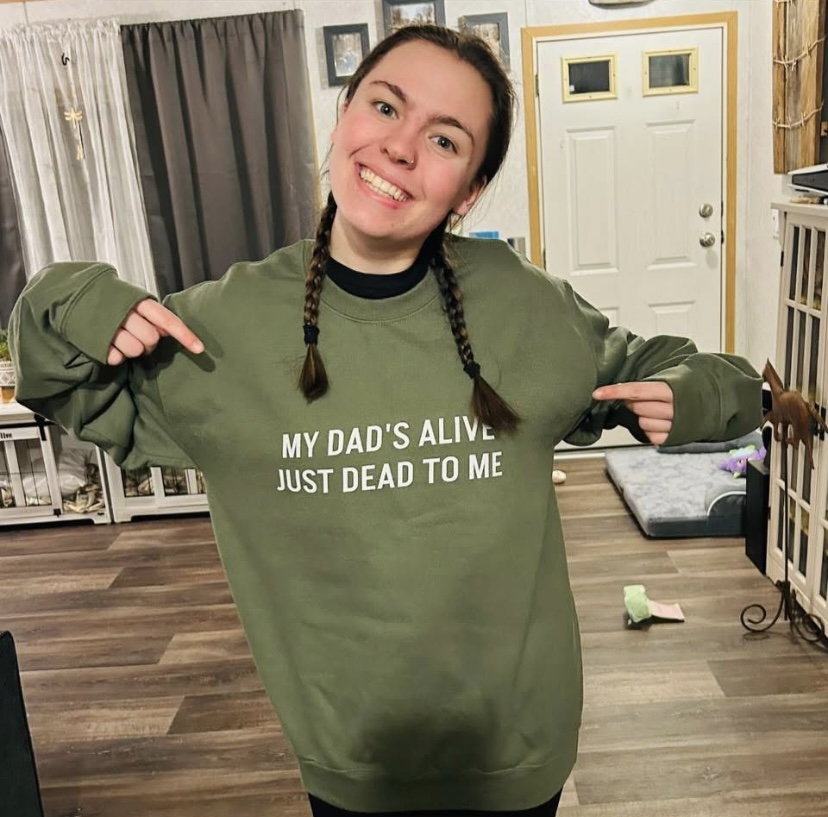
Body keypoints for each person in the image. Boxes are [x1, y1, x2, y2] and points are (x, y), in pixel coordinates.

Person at [9, 24, 761, 817]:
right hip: (350, 760)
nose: (400, 147)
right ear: (344, 115)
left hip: (516, 752)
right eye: (386, 106)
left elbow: (719, 379)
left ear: (468, 191)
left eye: (444, 139)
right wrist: (70, 296)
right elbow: (57, 380)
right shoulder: (220, 331)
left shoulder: (527, 306)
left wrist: (692, 392)